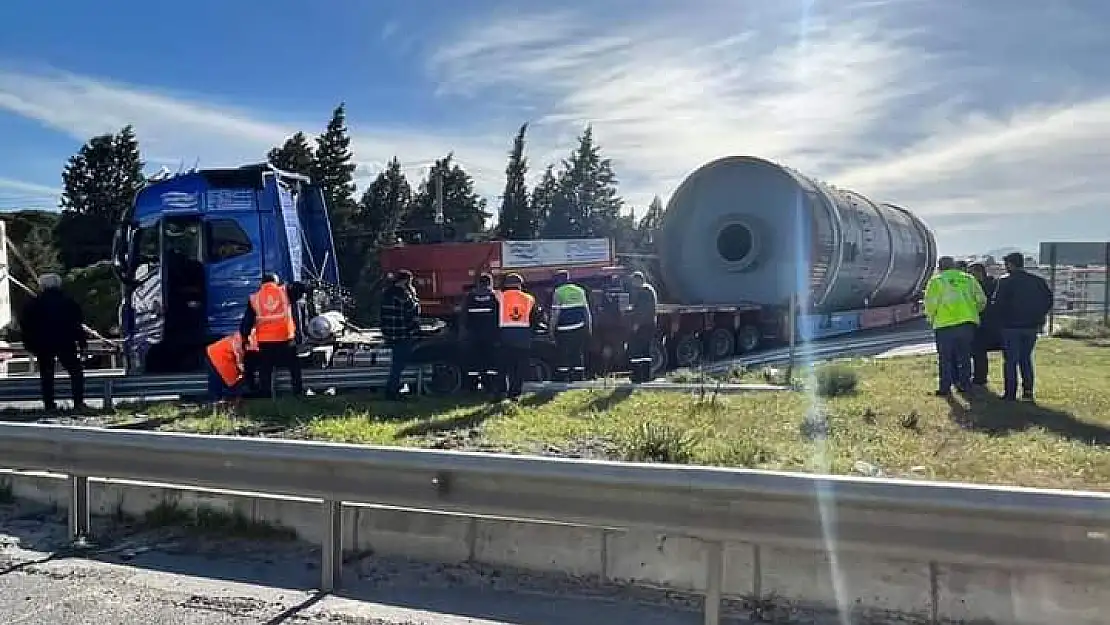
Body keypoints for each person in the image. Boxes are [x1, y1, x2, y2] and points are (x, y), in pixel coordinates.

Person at [19, 273, 88, 411]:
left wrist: (29, 344)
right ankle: (78, 402)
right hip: (65, 342)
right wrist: (82, 343)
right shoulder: (68, 302)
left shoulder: (33, 304)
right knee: (75, 371)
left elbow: (25, 326)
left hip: (42, 344)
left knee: (47, 375)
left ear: (42, 286)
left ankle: (49, 404)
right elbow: (77, 324)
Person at [992, 252, 1053, 401]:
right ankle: (1027, 392)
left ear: (1011, 265)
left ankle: (1010, 393)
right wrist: (1039, 317)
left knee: (1010, 361)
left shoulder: (1005, 281)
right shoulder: (1038, 281)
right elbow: (1048, 300)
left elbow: (997, 303)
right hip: (1031, 326)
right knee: (1026, 359)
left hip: (1010, 327)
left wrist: (1000, 320)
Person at [924, 256, 986, 396]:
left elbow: (930, 303)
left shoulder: (937, 281)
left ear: (940, 267)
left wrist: (931, 318)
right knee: (964, 356)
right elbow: (981, 300)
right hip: (966, 324)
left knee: (945, 358)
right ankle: (965, 384)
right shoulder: (969, 279)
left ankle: (945, 387)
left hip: (944, 325)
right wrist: (973, 311)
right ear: (953, 266)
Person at [240, 274, 304, 398]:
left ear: (262, 284)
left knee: (265, 369)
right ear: (276, 281)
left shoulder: (255, 298)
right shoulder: (284, 291)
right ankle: (297, 391)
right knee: (294, 366)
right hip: (285, 338)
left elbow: (247, 322)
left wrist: (245, 337)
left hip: (265, 341)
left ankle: (265, 393)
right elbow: (299, 289)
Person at [380, 269, 421, 400]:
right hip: (402, 333)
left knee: (396, 362)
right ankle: (392, 391)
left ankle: (392, 389)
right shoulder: (404, 295)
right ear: (405, 280)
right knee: (399, 364)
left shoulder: (386, 293)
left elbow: (382, 315)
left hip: (389, 334)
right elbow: (413, 312)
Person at [498, 273, 539, 400]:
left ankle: (501, 391)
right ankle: (515, 394)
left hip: (504, 335)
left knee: (505, 366)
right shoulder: (529, 298)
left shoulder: (499, 296)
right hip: (523, 336)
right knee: (519, 367)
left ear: (506, 285)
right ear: (520, 285)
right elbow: (535, 318)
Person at [459, 273, 501, 393]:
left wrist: (464, 333)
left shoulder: (469, 297)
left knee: (474, 362)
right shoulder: (495, 296)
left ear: (478, 283)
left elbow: (463, 317)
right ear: (490, 283)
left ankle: (471, 386)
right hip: (491, 336)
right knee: (490, 362)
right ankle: (490, 386)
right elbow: (500, 315)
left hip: (473, 335)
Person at [549, 270, 592, 382]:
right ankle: (579, 378)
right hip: (579, 327)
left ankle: (564, 378)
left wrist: (551, 330)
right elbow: (586, 311)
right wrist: (589, 327)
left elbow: (555, 314)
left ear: (558, 280)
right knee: (577, 353)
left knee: (563, 355)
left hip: (564, 330)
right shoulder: (579, 290)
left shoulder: (558, 292)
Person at [967, 263, 1000, 386]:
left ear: (978, 273)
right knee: (979, 352)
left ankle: (979, 378)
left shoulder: (979, 286)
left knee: (978, 351)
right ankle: (980, 377)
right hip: (992, 322)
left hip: (982, 322)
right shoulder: (994, 284)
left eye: (971, 273)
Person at [626, 272, 658, 383]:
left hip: (644, 326)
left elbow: (643, 311)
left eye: (634, 281)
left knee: (637, 350)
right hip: (648, 325)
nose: (632, 283)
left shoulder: (644, 291)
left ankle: (638, 376)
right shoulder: (648, 290)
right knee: (644, 351)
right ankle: (645, 376)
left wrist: (637, 324)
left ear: (639, 280)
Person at [205, 332, 246, 410]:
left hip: (217, 353)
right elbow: (239, 354)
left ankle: (218, 402)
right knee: (229, 380)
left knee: (222, 379)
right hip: (219, 355)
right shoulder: (242, 338)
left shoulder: (243, 336)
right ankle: (219, 402)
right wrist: (242, 368)